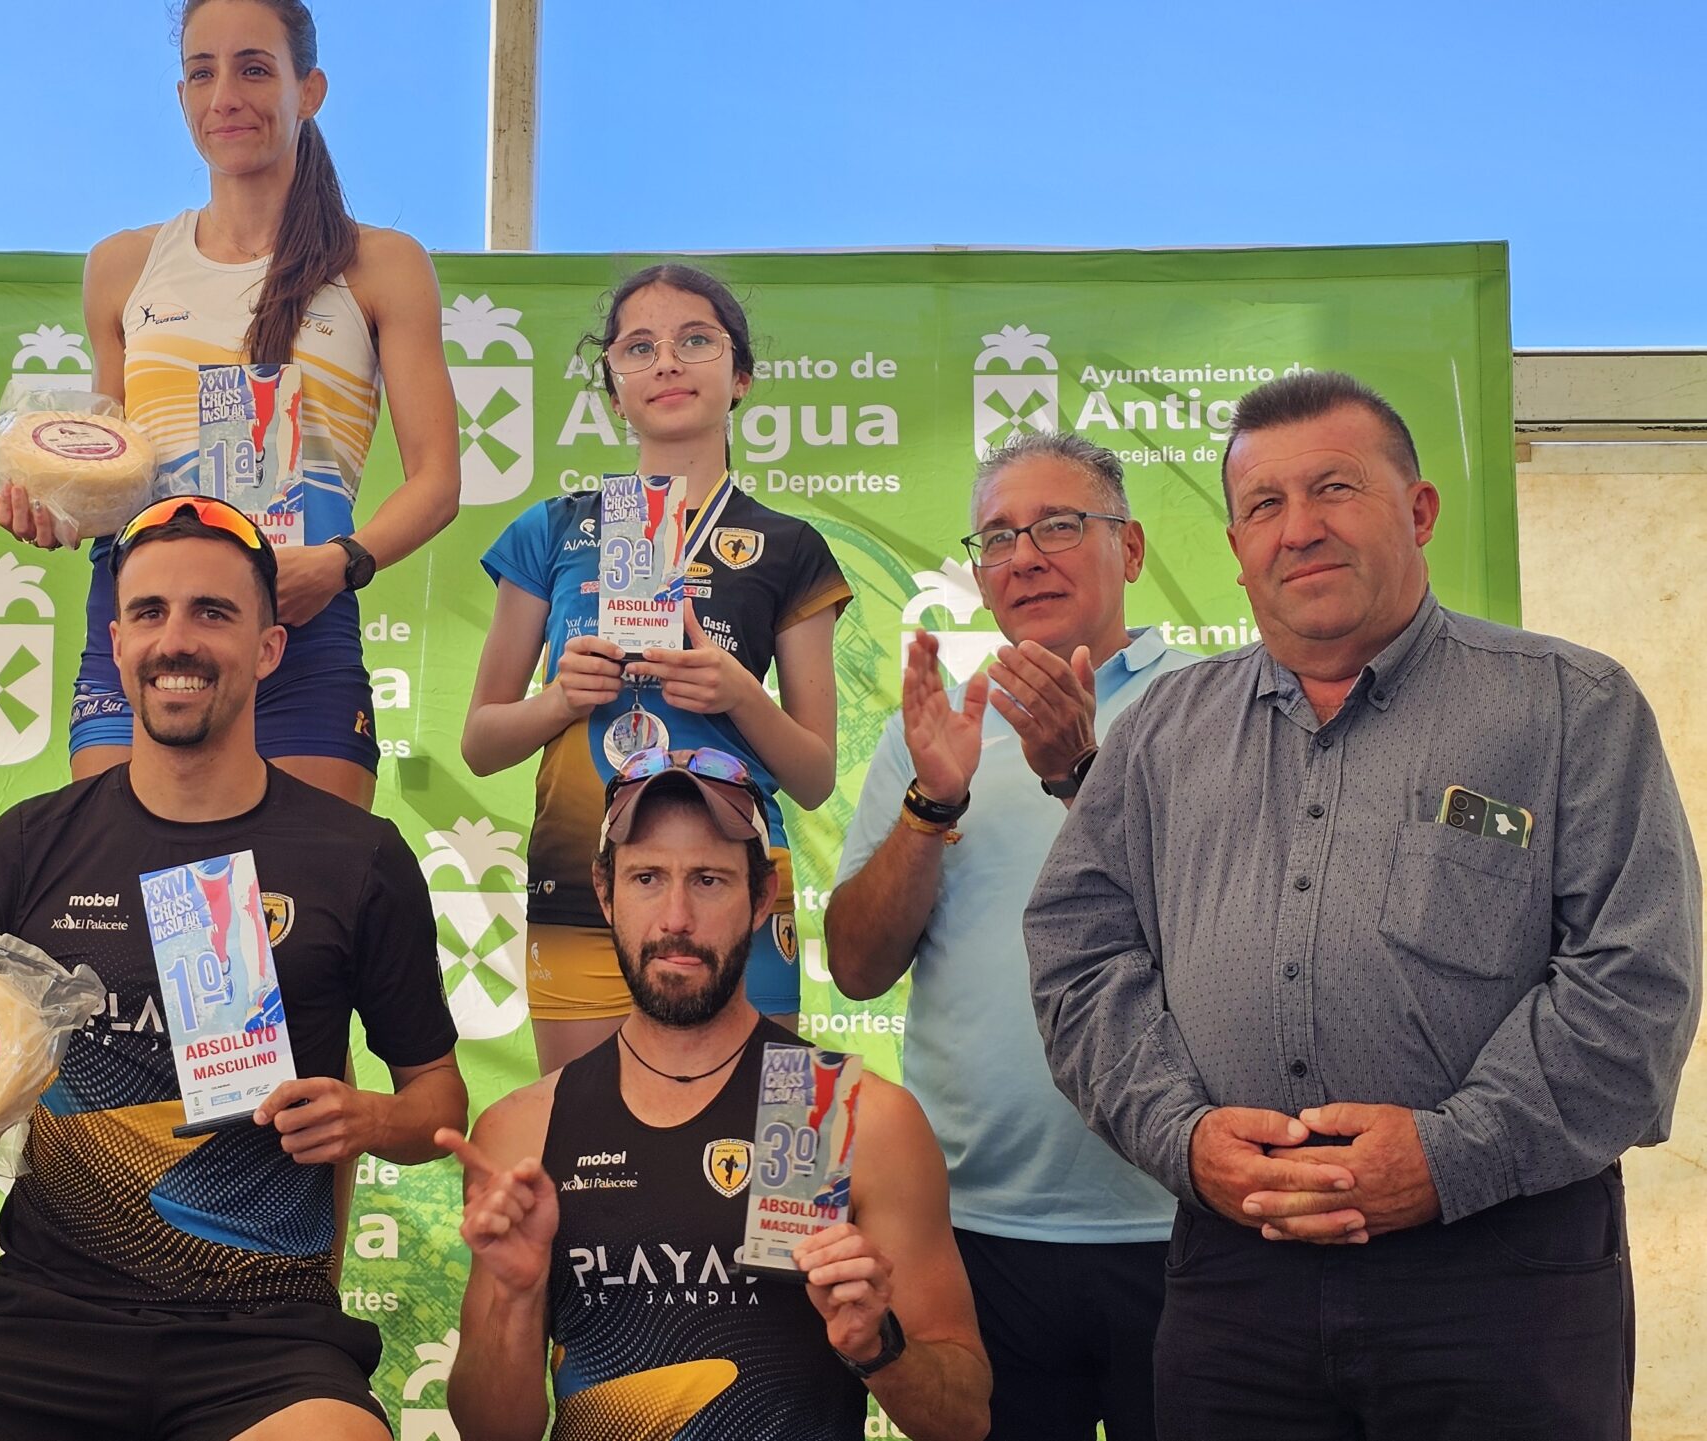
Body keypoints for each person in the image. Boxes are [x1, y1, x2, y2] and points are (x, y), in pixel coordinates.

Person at [1026, 371, 1701, 1439]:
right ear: (1237, 548)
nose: (1299, 528)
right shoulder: (1162, 732)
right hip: (1236, 1279)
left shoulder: (1571, 706)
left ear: (1420, 510)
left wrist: (1448, 1157)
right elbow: (1080, 952)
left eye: (1334, 488)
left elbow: (1637, 981)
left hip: (1503, 1274)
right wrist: (1180, 1136)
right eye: (1264, 505)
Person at [0, 495, 466, 1441]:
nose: (177, 640)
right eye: (149, 612)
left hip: (265, 1332)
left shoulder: (358, 855)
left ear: (268, 648)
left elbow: (441, 1102)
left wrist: (371, 1118)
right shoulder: (25, 847)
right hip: (44, 1315)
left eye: (213, 611)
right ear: (117, 643)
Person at [0, 0, 461, 810]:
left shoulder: (380, 264)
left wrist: (340, 563)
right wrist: (57, 508)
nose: (226, 97)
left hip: (298, 618)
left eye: (254, 69)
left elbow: (437, 480)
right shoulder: (123, 265)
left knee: (305, 884)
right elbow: (114, 475)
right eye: (202, 73)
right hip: (146, 620)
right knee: (125, 879)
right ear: (181, 98)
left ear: (309, 90)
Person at [441, 748, 991, 1441]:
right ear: (605, 894)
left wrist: (879, 1346)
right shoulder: (525, 1132)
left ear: (761, 898)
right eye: (647, 877)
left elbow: (965, 1417)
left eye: (708, 879)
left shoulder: (842, 1114)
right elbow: (491, 1433)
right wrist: (517, 1298)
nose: (676, 917)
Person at [824, 431, 1199, 1438]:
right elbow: (855, 967)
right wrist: (929, 806)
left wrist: (1078, 771)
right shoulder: (932, 731)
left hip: (1181, 1218)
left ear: (1130, 548)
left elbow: (1226, 940)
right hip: (975, 1231)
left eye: (1058, 526)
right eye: (997, 537)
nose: (1024, 556)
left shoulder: (1213, 709)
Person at [464, 264, 848, 1072]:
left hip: (736, 876)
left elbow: (815, 776)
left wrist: (740, 694)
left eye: (695, 340)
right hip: (584, 875)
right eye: (639, 348)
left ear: (740, 377)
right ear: (613, 390)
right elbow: (481, 742)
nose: (667, 361)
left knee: (742, 1136)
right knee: (586, 1133)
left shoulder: (791, 547)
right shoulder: (551, 529)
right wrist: (560, 698)